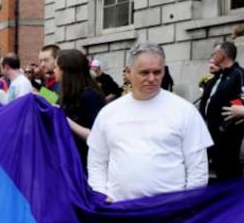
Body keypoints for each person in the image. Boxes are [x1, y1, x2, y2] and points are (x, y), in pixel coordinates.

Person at [87, 42, 211, 202]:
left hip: (168, 212)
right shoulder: (108, 113)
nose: (151, 79)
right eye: (144, 72)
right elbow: (97, 161)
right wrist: (101, 196)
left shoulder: (185, 111)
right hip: (119, 211)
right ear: (129, 72)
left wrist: (187, 205)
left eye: (157, 72)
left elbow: (198, 167)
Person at [198, 40, 244, 181]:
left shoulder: (240, 74)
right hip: (209, 131)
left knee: (228, 171)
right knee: (213, 170)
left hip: (227, 134)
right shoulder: (217, 76)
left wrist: (225, 126)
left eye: (214, 53)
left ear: (222, 55)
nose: (211, 56)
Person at [56, 49, 106, 169]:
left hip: (84, 164)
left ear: (66, 70)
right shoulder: (67, 93)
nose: (54, 70)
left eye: (56, 67)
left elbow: (96, 136)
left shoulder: (90, 96)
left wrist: (62, 117)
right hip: (69, 161)